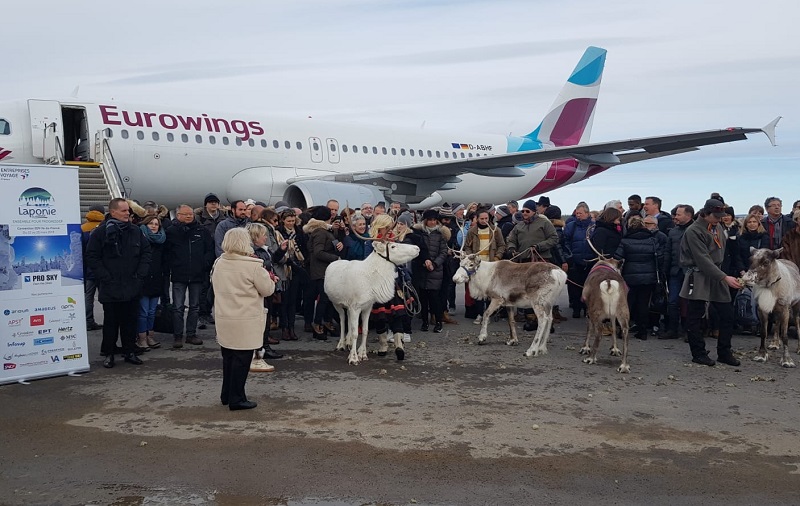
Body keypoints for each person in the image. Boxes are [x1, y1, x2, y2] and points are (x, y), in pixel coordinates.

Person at [213, 228, 276, 411]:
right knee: (242, 360)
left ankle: (227, 393)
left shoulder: (219, 262)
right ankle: (237, 398)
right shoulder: (254, 265)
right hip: (245, 319)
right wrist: (272, 280)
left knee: (228, 358)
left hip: (225, 316)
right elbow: (267, 290)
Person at [85, 198, 152, 368]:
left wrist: (140, 275)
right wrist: (104, 276)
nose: (127, 214)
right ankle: (109, 353)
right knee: (111, 323)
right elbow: (92, 257)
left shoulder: (135, 231)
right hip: (110, 286)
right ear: (113, 212)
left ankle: (129, 351)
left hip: (132, 284)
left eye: (128, 211)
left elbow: (146, 253)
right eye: (123, 211)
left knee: (130, 321)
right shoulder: (100, 232)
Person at [679, 199, 742, 367]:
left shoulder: (718, 227)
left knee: (727, 314)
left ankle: (724, 352)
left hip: (718, 275)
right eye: (716, 216)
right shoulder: (693, 231)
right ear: (705, 214)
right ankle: (698, 353)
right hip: (699, 276)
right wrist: (725, 277)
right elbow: (702, 260)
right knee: (695, 315)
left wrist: (725, 275)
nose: (719, 219)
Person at [164, 205, 215, 349]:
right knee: (178, 307)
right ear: (178, 215)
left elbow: (209, 250)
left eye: (191, 214)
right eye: (185, 214)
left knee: (195, 307)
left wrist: (204, 265)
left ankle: (191, 334)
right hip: (179, 275)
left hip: (197, 274)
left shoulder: (201, 230)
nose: (188, 216)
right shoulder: (171, 232)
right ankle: (178, 336)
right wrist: (173, 265)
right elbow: (167, 253)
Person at [614, 215, 665, 340]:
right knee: (643, 304)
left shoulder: (625, 241)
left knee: (627, 304)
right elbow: (659, 257)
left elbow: (617, 258)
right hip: (648, 277)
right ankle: (642, 331)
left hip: (629, 277)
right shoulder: (652, 240)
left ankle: (623, 329)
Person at [246, 222, 283, 365]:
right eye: (263, 235)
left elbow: (272, 261)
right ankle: (261, 347)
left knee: (265, 319)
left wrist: (281, 251)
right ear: (255, 236)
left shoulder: (263, 250)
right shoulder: (253, 252)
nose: (266, 238)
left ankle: (264, 346)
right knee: (261, 321)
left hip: (266, 287)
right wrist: (270, 276)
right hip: (259, 290)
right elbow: (259, 269)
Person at [304, 205, 343, 339]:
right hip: (322, 270)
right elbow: (318, 252)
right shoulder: (320, 232)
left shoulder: (325, 230)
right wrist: (336, 258)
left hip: (326, 270)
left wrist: (338, 244)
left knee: (328, 298)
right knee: (324, 298)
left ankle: (326, 322)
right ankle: (318, 323)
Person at [463, 209, 506, 324]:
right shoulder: (472, 231)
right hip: (477, 266)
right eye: (482, 219)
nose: (484, 221)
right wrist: (470, 256)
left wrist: (497, 257)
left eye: (486, 218)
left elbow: (502, 245)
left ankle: (488, 314)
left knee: (490, 291)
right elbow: (467, 246)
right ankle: (479, 314)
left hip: (491, 265)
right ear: (477, 219)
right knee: (478, 291)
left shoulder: (496, 231)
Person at [412, 209, 450, 333]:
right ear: (425, 221)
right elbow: (416, 251)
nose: (432, 223)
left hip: (436, 270)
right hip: (422, 269)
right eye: (430, 220)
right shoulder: (419, 233)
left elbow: (443, 252)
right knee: (423, 298)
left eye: (434, 220)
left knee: (435, 298)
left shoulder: (440, 235)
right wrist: (424, 262)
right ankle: (424, 322)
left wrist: (434, 263)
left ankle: (438, 322)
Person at [662, 204, 694, 339]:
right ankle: (672, 329)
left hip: (692, 272)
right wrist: (665, 269)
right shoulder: (673, 232)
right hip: (675, 271)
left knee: (691, 302)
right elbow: (668, 252)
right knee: (673, 301)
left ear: (688, 215)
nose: (675, 217)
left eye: (679, 214)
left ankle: (689, 331)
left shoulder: (696, 231)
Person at [195, 192, 225, 327]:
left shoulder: (224, 219)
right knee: (204, 286)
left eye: (215, 202)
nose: (213, 204)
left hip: (220, 255)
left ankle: (211, 311)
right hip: (205, 256)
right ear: (206, 204)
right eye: (211, 202)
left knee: (216, 287)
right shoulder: (200, 219)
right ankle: (202, 313)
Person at [276, 209, 306, 340]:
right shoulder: (279, 233)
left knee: (293, 301)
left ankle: (291, 327)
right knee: (284, 301)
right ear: (283, 221)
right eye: (288, 221)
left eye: (293, 221)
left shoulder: (299, 232)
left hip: (296, 268)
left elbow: (304, 249)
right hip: (284, 269)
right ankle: (284, 328)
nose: (291, 223)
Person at [137, 215, 166, 350]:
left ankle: (150, 336)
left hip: (156, 279)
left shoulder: (161, 241)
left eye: (156, 224)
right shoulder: (140, 239)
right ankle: (142, 338)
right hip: (143, 280)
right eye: (151, 224)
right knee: (143, 312)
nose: (154, 226)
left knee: (152, 311)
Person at [563, 203, 594, 318]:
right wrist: (568, 255)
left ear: (587, 213)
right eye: (577, 213)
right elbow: (565, 241)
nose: (578, 216)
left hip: (590, 261)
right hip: (575, 260)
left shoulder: (593, 227)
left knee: (588, 286)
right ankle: (576, 308)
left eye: (580, 213)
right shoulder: (571, 226)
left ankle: (587, 308)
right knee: (575, 286)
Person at [81, 204, 106, 331]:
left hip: (88, 270)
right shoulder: (105, 227)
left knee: (88, 297)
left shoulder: (82, 228)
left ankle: (88, 321)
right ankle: (109, 320)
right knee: (106, 297)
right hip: (103, 269)